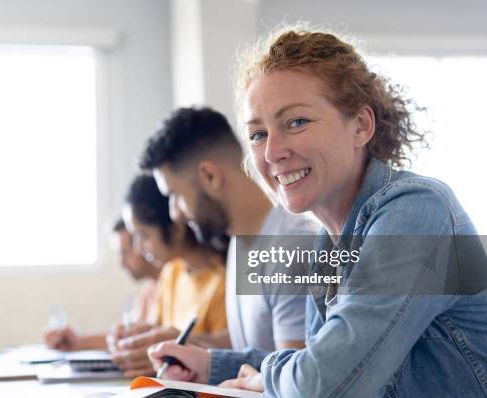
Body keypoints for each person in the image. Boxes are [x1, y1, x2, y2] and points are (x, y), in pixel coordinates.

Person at [149, 27, 487, 397]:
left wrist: (268, 377)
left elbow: (324, 383)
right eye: (258, 134)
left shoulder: (419, 212)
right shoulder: (329, 241)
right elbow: (320, 360)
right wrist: (211, 365)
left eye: (296, 122)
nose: (272, 152)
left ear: (361, 125)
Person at [139, 106, 317, 384]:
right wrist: (192, 346)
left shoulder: (293, 247)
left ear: (209, 176)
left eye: (175, 195)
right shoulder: (239, 239)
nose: (175, 214)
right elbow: (258, 340)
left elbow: (293, 380)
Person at [109, 174, 228, 378]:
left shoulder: (224, 278)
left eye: (144, 235)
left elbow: (230, 357)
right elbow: (157, 332)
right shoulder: (171, 273)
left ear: (175, 229)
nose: (139, 247)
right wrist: (137, 339)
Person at [43, 218, 161, 351]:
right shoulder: (150, 289)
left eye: (125, 253)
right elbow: (129, 339)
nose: (121, 263)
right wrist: (78, 341)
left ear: (143, 243)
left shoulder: (172, 285)